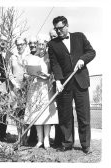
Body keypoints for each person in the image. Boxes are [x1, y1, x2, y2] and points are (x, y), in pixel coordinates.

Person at [48, 16, 96, 154]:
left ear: (67, 25)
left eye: (61, 28)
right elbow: (54, 64)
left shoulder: (79, 37)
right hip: (65, 84)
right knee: (65, 116)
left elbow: (91, 52)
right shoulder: (52, 44)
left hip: (81, 82)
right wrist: (57, 80)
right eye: (56, 29)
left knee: (84, 115)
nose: (58, 31)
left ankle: (86, 145)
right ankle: (67, 143)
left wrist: (82, 59)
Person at [24, 35, 58, 149]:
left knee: (46, 113)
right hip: (34, 87)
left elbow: (54, 71)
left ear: (46, 45)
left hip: (46, 87)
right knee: (36, 113)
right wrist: (28, 75)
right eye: (39, 44)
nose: (41, 46)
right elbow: (26, 72)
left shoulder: (50, 57)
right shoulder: (32, 57)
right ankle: (39, 140)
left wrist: (48, 76)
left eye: (43, 44)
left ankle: (47, 139)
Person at [8, 36, 29, 145]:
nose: (20, 46)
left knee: (25, 114)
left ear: (25, 45)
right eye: (18, 44)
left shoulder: (29, 56)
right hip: (15, 89)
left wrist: (24, 85)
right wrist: (16, 85)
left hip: (26, 88)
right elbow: (9, 73)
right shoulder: (13, 57)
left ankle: (25, 138)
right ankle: (19, 137)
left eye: (22, 44)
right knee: (17, 114)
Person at [0, 37, 13, 141]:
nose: (3, 43)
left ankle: (2, 134)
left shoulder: (11, 55)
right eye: (1, 41)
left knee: (4, 110)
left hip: (7, 84)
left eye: (5, 42)